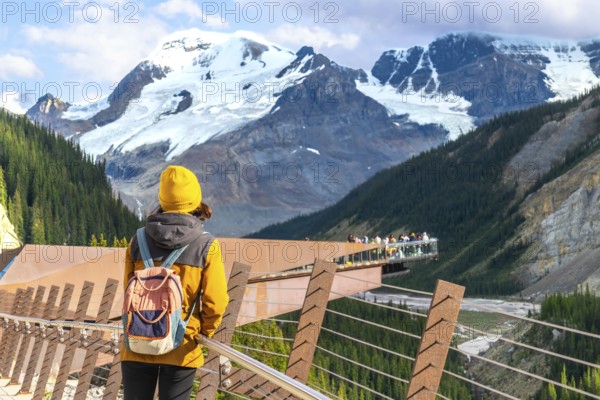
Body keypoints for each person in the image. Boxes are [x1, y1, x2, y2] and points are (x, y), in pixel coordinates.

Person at [121, 165, 229, 400]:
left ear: (162, 199)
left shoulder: (137, 240)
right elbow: (216, 301)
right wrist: (204, 332)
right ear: (195, 201)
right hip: (181, 344)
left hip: (138, 340)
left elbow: (127, 291)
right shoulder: (207, 245)